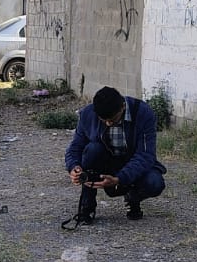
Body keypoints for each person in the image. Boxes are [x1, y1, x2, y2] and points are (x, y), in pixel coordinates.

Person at [65, 86, 166, 222]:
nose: (108, 123)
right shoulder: (88, 114)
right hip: (106, 163)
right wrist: (74, 168)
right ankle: (86, 207)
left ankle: (133, 197)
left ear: (123, 107)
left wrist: (120, 178)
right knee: (92, 149)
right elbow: (75, 147)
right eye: (103, 120)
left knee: (155, 183)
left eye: (112, 120)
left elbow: (146, 155)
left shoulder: (143, 113)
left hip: (132, 161)